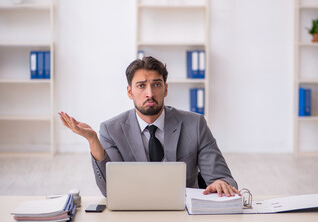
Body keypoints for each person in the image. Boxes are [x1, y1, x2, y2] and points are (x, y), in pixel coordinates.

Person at [59, 56, 239, 197]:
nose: (150, 93)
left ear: (166, 89)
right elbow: (111, 190)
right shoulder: (110, 130)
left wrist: (220, 183)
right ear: (130, 92)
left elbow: (220, 176)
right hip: (135, 213)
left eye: (156, 85)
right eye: (141, 86)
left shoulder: (195, 124)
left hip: (184, 212)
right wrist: (92, 140)